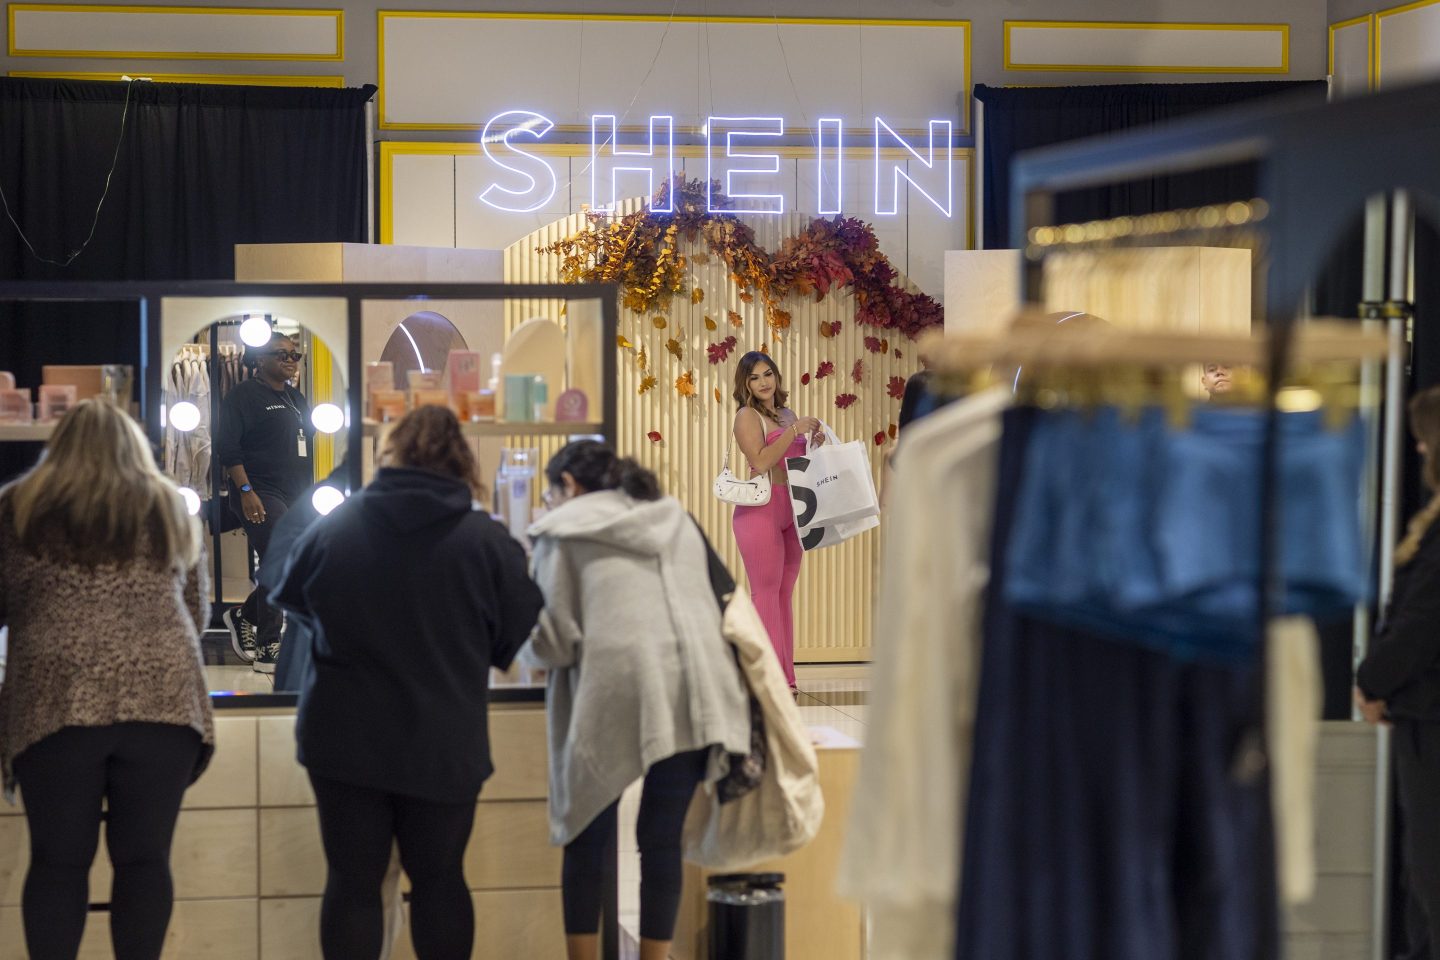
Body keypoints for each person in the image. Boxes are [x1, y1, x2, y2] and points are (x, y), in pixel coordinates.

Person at [270, 405, 543, 960]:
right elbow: (514, 630)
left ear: (386, 454)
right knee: (440, 881)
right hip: (443, 741)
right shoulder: (485, 542)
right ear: (461, 460)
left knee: (352, 883)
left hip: (342, 742)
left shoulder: (334, 530)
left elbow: (292, 599)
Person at [0, 399, 214, 960]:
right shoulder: (170, 505)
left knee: (57, 861)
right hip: (163, 699)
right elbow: (198, 609)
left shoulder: (18, 507)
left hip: (56, 699)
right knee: (145, 860)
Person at [526, 440, 750, 960]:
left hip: (617, 689)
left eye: (550, 492)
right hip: (697, 688)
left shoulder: (561, 533)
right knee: (661, 837)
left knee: (587, 832)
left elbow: (555, 641)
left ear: (571, 486)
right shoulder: (673, 517)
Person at [1356, 384, 1440, 960]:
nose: (1417, 453)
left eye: (1423, 441)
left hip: (1430, 721)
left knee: (1432, 872)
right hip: (1423, 713)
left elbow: (1420, 622)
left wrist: (1372, 681)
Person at [215, 330, 314, 673]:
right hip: (260, 492)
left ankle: (245, 614)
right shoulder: (242, 396)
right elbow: (228, 449)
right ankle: (268, 643)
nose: (290, 360)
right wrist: (245, 492)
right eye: (281, 354)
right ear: (260, 360)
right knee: (277, 557)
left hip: (297, 494)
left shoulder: (296, 398)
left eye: (294, 355)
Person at [730, 351, 823, 691]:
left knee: (784, 594)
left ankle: (787, 678)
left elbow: (795, 460)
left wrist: (810, 441)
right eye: (754, 377)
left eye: (767, 374)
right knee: (766, 594)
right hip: (760, 510)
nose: (764, 382)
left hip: (794, 507)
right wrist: (793, 431)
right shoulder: (746, 416)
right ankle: (768, 681)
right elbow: (762, 459)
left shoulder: (786, 413)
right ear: (746, 384)